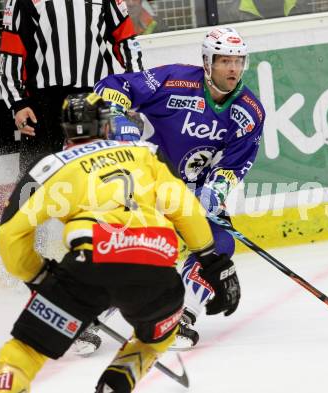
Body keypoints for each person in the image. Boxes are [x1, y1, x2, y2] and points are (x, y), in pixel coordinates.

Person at [0, 93, 240, 393]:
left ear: (66, 130)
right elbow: (185, 208)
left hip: (88, 266)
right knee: (156, 339)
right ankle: (115, 386)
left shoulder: (52, 167)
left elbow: (10, 234)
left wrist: (38, 275)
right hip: (156, 270)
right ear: (107, 127)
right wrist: (212, 260)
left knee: (24, 351)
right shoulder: (145, 152)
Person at [92, 26, 265, 349]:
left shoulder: (249, 112)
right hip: (146, 184)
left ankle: (182, 315)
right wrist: (116, 115)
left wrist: (214, 193)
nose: (233, 69)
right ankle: (84, 315)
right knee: (137, 249)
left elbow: (235, 164)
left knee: (220, 245)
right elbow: (114, 85)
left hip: (193, 193)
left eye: (238, 61)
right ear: (207, 62)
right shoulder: (175, 82)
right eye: (224, 60)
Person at [0, 0, 143, 176]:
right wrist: (18, 103)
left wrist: (136, 87)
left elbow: (125, 38)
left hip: (92, 96)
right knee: (36, 174)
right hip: (43, 100)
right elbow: (11, 49)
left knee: (98, 169)